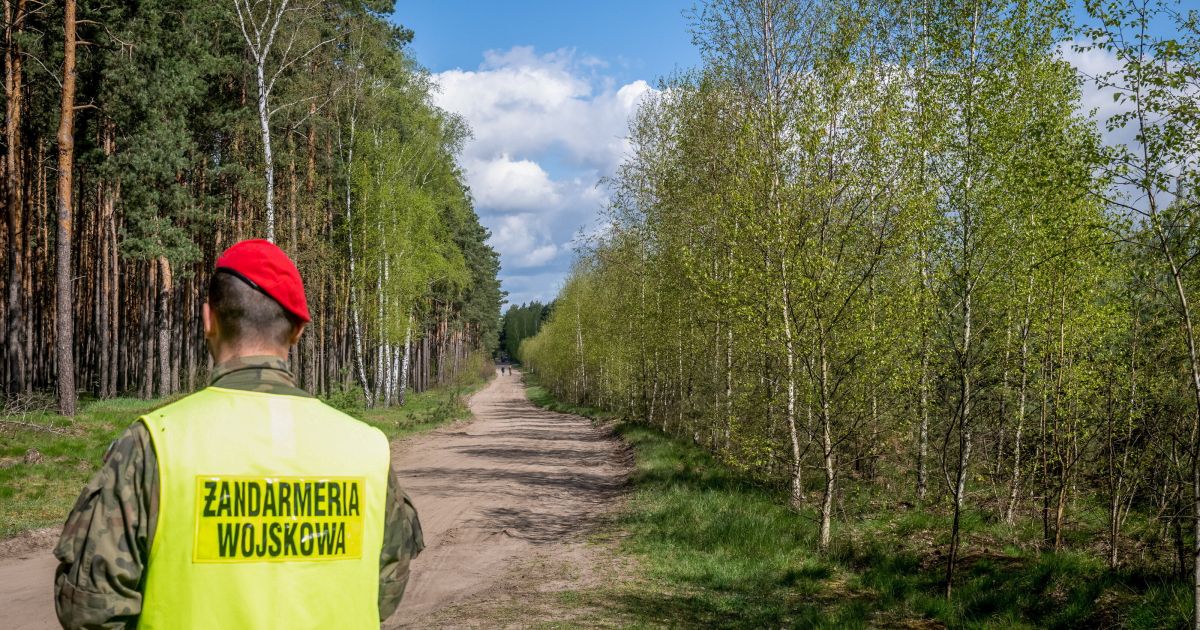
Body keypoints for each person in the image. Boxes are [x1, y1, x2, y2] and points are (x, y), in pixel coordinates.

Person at [53, 239, 424, 629]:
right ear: (297, 330)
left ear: (207, 319)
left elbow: (91, 611)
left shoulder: (155, 444)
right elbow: (384, 590)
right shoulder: (366, 448)